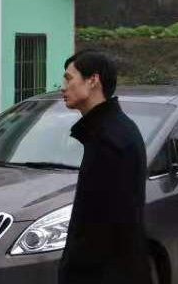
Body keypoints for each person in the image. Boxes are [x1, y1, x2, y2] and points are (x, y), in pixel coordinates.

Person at [58, 50, 152, 284]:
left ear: (92, 80)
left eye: (69, 79)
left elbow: (98, 224)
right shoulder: (117, 128)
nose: (62, 87)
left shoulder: (108, 139)